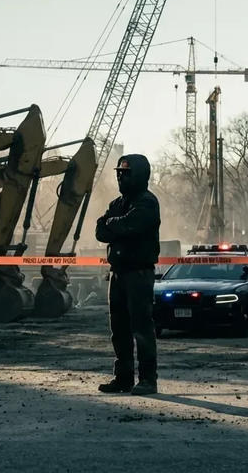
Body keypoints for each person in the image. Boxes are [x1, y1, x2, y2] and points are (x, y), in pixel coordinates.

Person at [95, 154, 161, 396]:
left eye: (126, 173)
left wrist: (114, 225)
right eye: (119, 173)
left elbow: (132, 226)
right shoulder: (117, 203)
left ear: (139, 175)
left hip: (139, 273)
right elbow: (100, 230)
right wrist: (117, 225)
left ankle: (148, 380)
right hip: (118, 273)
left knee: (141, 328)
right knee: (119, 329)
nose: (121, 177)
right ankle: (123, 378)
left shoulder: (148, 202)